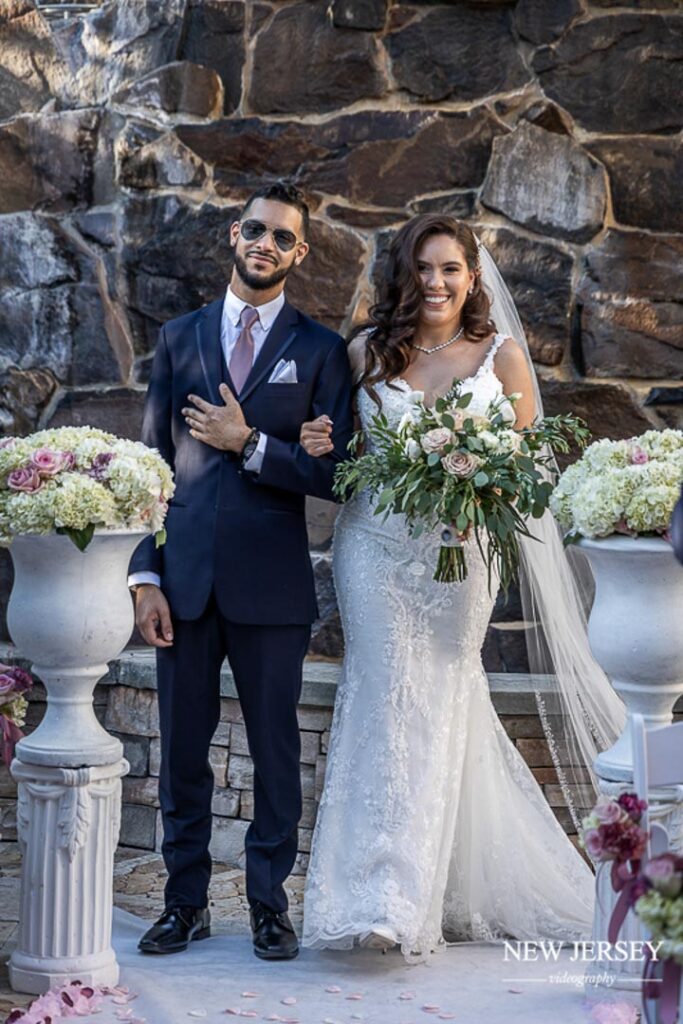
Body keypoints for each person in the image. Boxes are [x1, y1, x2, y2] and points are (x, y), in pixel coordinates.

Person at [297, 214, 626, 961]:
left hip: (459, 557)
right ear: (403, 275)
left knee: (441, 697)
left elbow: (530, 468)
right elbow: (333, 449)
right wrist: (315, 441)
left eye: (450, 268)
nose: (436, 282)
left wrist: (478, 492)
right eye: (422, 268)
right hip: (374, 548)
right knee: (382, 699)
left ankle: (422, 892)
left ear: (472, 277)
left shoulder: (501, 358)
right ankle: (375, 898)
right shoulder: (364, 353)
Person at [127, 182, 354, 960]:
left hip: (271, 583)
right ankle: (183, 903)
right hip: (182, 580)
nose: (265, 244)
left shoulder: (321, 351)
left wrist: (249, 442)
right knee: (182, 754)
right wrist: (143, 577)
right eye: (254, 229)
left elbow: (336, 475)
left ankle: (267, 906)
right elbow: (147, 466)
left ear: (299, 253)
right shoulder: (179, 336)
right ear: (234, 234)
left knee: (276, 754)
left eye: (281, 237)